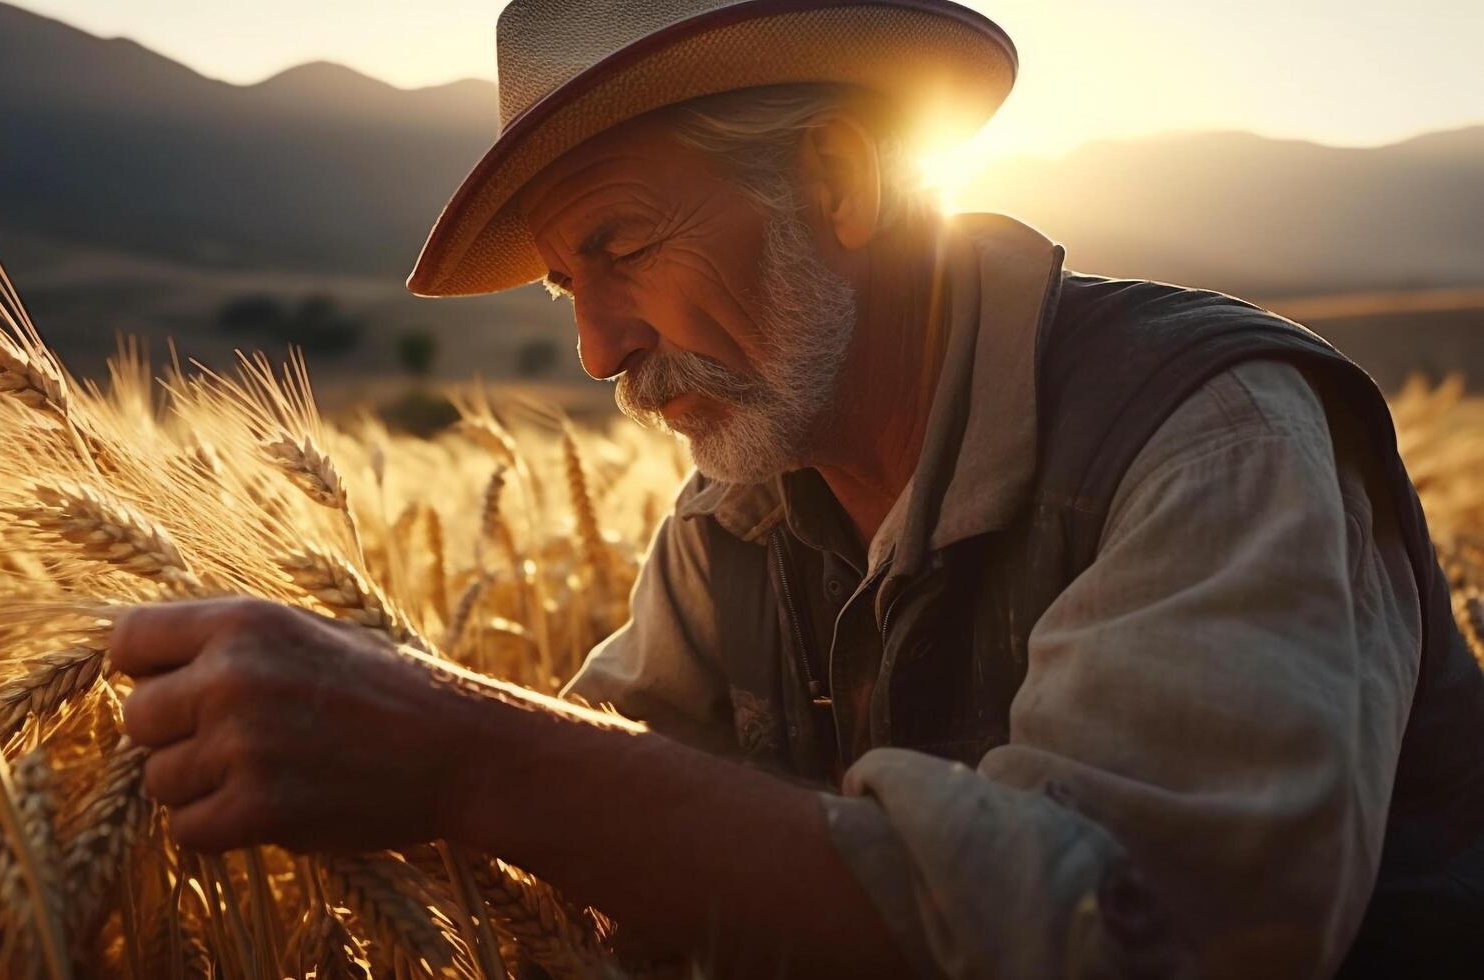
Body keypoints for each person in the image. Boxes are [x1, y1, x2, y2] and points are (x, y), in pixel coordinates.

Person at [109, 1, 1484, 976]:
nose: (598, 350)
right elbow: (605, 848)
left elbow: (1132, 935)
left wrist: (455, 752)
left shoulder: (1209, 436)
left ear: (836, 177)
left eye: (623, 244)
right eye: (564, 286)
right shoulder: (736, 527)